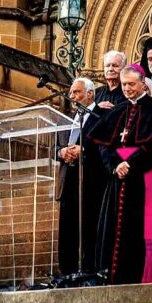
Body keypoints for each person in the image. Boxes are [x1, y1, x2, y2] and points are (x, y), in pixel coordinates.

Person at [90, 64, 152, 284]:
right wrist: (115, 165)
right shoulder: (117, 110)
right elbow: (103, 145)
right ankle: (113, 277)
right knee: (114, 229)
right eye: (124, 84)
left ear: (143, 83)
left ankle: (141, 277)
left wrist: (130, 164)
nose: (126, 89)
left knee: (142, 228)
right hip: (118, 179)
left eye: (131, 84)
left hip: (145, 177)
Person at [55, 77, 105, 276]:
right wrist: (61, 152)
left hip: (90, 181)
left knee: (89, 228)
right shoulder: (66, 119)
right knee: (67, 230)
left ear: (90, 93)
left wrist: (83, 150)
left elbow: (104, 144)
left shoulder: (101, 116)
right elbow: (54, 147)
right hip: (68, 181)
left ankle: (90, 271)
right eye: (71, 93)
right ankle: (66, 272)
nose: (72, 96)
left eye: (77, 92)